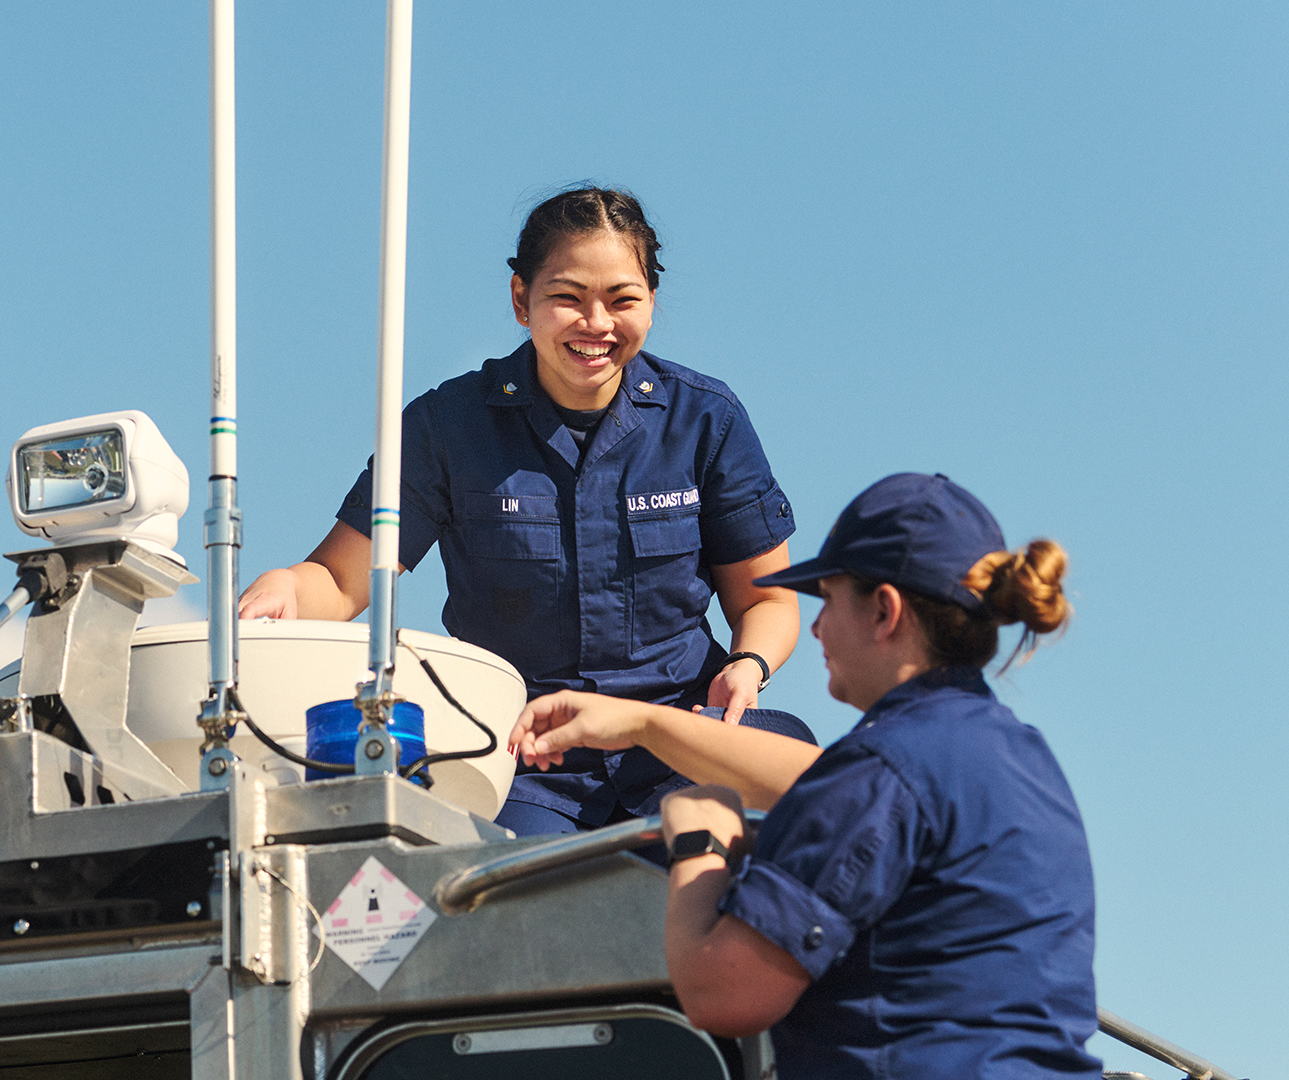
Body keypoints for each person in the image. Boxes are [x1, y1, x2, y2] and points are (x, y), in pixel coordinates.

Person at [238, 186, 808, 834]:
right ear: (520, 299)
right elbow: (342, 581)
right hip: (529, 757)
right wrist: (288, 584)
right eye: (568, 297)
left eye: (622, 299)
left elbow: (767, 602)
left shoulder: (706, 419)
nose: (596, 323)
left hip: (684, 739)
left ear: (651, 303)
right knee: (526, 899)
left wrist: (749, 665)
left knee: (792, 819)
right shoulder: (444, 427)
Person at [511, 473, 1101, 1078]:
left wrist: (699, 840)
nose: (816, 629)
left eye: (826, 599)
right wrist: (642, 723)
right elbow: (831, 782)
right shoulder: (1017, 760)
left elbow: (721, 995)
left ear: (885, 610)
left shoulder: (882, 772)